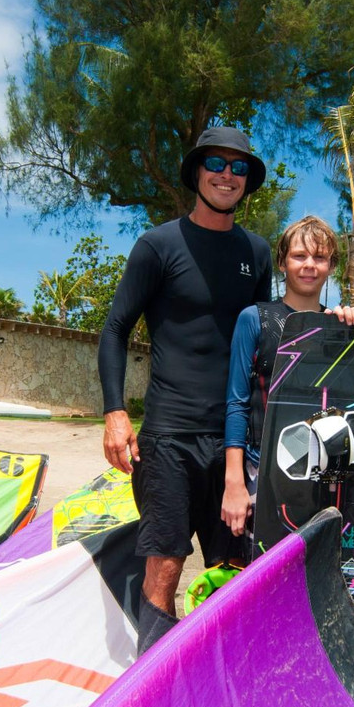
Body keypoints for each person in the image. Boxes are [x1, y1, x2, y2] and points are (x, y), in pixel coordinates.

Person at [98, 126, 272, 653]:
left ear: (247, 181)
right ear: (196, 172)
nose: (227, 174)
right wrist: (114, 413)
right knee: (165, 568)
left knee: (232, 573)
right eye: (216, 163)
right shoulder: (158, 245)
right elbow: (114, 328)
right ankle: (156, 689)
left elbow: (269, 336)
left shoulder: (257, 253)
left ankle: (223, 686)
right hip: (170, 435)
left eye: (238, 167)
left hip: (234, 441)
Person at [220, 216, 341, 538]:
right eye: (299, 256)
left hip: (323, 474)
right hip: (261, 470)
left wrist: (349, 328)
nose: (309, 265)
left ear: (332, 266)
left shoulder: (339, 326)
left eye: (320, 257)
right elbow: (236, 402)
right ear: (282, 262)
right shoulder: (255, 319)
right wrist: (234, 482)